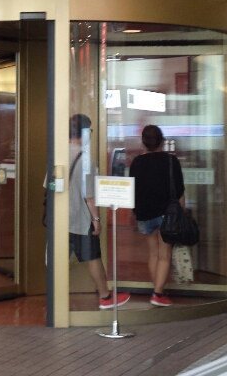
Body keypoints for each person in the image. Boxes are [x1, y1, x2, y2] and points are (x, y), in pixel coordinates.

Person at [68, 114, 130, 310]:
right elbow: (89, 196)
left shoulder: (57, 154)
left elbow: (49, 186)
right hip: (81, 219)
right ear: (85, 133)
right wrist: (96, 218)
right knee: (93, 257)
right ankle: (105, 297)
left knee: (57, 257)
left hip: (60, 219)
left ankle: (54, 300)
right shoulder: (85, 160)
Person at [129, 125, 185, 307]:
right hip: (166, 214)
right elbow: (179, 190)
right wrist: (182, 213)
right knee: (164, 255)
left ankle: (157, 290)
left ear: (144, 142)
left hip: (144, 214)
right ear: (162, 141)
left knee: (153, 253)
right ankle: (158, 294)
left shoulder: (137, 162)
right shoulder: (170, 161)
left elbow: (133, 191)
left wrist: (134, 214)